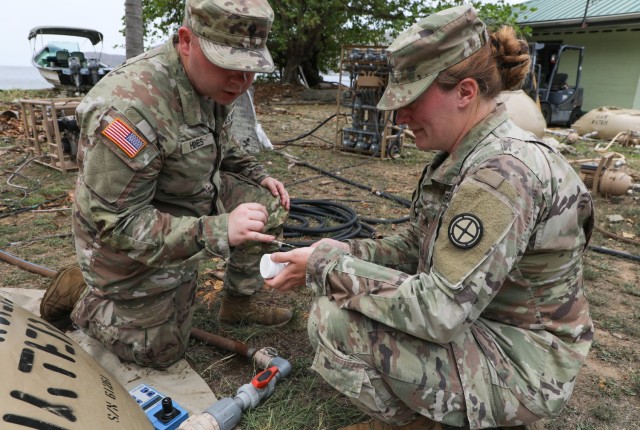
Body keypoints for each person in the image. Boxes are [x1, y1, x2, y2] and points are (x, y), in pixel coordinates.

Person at [265, 5, 594, 430]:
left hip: (526, 363)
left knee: (336, 320)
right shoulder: (466, 154)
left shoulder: (501, 174)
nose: (400, 116)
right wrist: (343, 250)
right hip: (490, 325)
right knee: (341, 292)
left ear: (465, 92)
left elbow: (439, 312)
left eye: (411, 100)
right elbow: (415, 245)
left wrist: (327, 268)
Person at [40, 0, 292, 369]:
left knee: (267, 205)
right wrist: (219, 229)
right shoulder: (131, 109)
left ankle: (237, 305)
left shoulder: (213, 83)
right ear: (186, 41)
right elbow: (116, 223)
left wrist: (259, 176)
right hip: (122, 243)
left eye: (250, 69)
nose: (241, 81)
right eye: (229, 65)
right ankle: (81, 290)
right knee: (160, 351)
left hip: (185, 204)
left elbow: (220, 140)